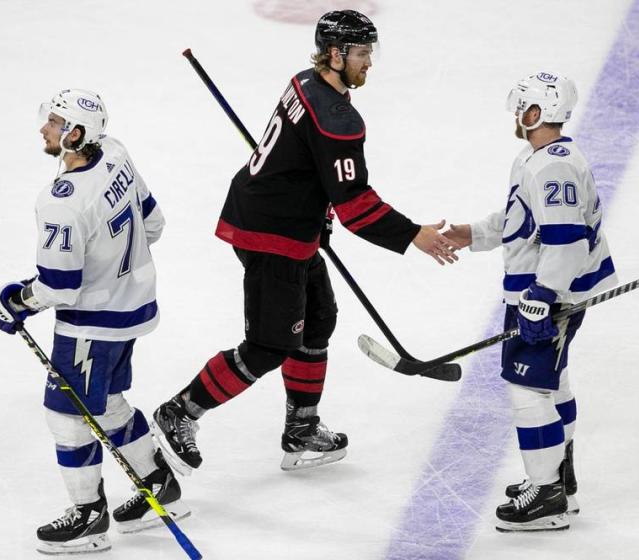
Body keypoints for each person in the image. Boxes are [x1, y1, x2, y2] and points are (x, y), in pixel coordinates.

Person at [152, 9, 458, 476]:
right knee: (268, 345)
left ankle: (302, 426)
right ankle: (180, 411)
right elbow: (355, 205)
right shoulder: (337, 118)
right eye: (361, 53)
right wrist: (414, 234)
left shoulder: (305, 81)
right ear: (335, 55)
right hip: (272, 233)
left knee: (317, 319)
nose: (369, 63)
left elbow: (306, 161)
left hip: (287, 222)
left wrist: (312, 203)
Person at [0, 89, 188, 554]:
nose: (44, 128)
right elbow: (153, 223)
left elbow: (58, 288)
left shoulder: (61, 201)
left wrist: (16, 301)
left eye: (55, 122)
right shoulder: (115, 152)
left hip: (92, 326)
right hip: (134, 306)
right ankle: (159, 484)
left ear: (75, 134)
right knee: (110, 401)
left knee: (67, 417)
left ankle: (88, 518)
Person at [443, 72, 617, 532]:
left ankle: (546, 496)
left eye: (522, 107)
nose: (517, 116)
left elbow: (567, 239)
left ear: (535, 112)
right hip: (547, 290)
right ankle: (559, 477)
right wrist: (475, 233)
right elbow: (523, 219)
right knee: (552, 381)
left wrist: (541, 296)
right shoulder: (537, 158)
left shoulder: (551, 165)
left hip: (548, 294)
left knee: (528, 388)